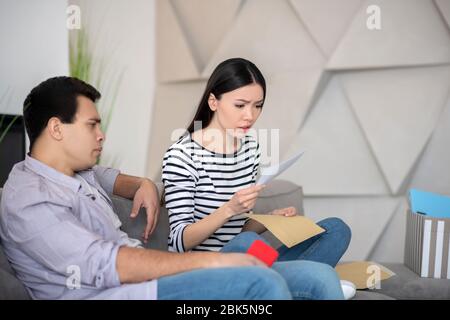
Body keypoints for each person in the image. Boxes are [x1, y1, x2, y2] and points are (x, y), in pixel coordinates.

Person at [1, 76, 310, 300]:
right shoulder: (29, 198)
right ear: (56, 128)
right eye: (92, 125)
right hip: (123, 293)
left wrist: (145, 183)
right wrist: (214, 260)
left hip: (147, 284)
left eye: (257, 106)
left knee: (320, 256)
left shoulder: (82, 173)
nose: (101, 135)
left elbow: (118, 180)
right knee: (260, 282)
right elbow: (105, 263)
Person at [162, 58, 352, 298]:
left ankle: (285, 286)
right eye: (240, 105)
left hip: (249, 261)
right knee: (247, 244)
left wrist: (270, 220)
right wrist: (229, 209)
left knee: (336, 230)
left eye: (257, 106)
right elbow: (179, 242)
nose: (249, 116)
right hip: (210, 270)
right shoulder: (182, 155)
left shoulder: (249, 149)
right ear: (213, 102)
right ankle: (306, 284)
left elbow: (239, 227)